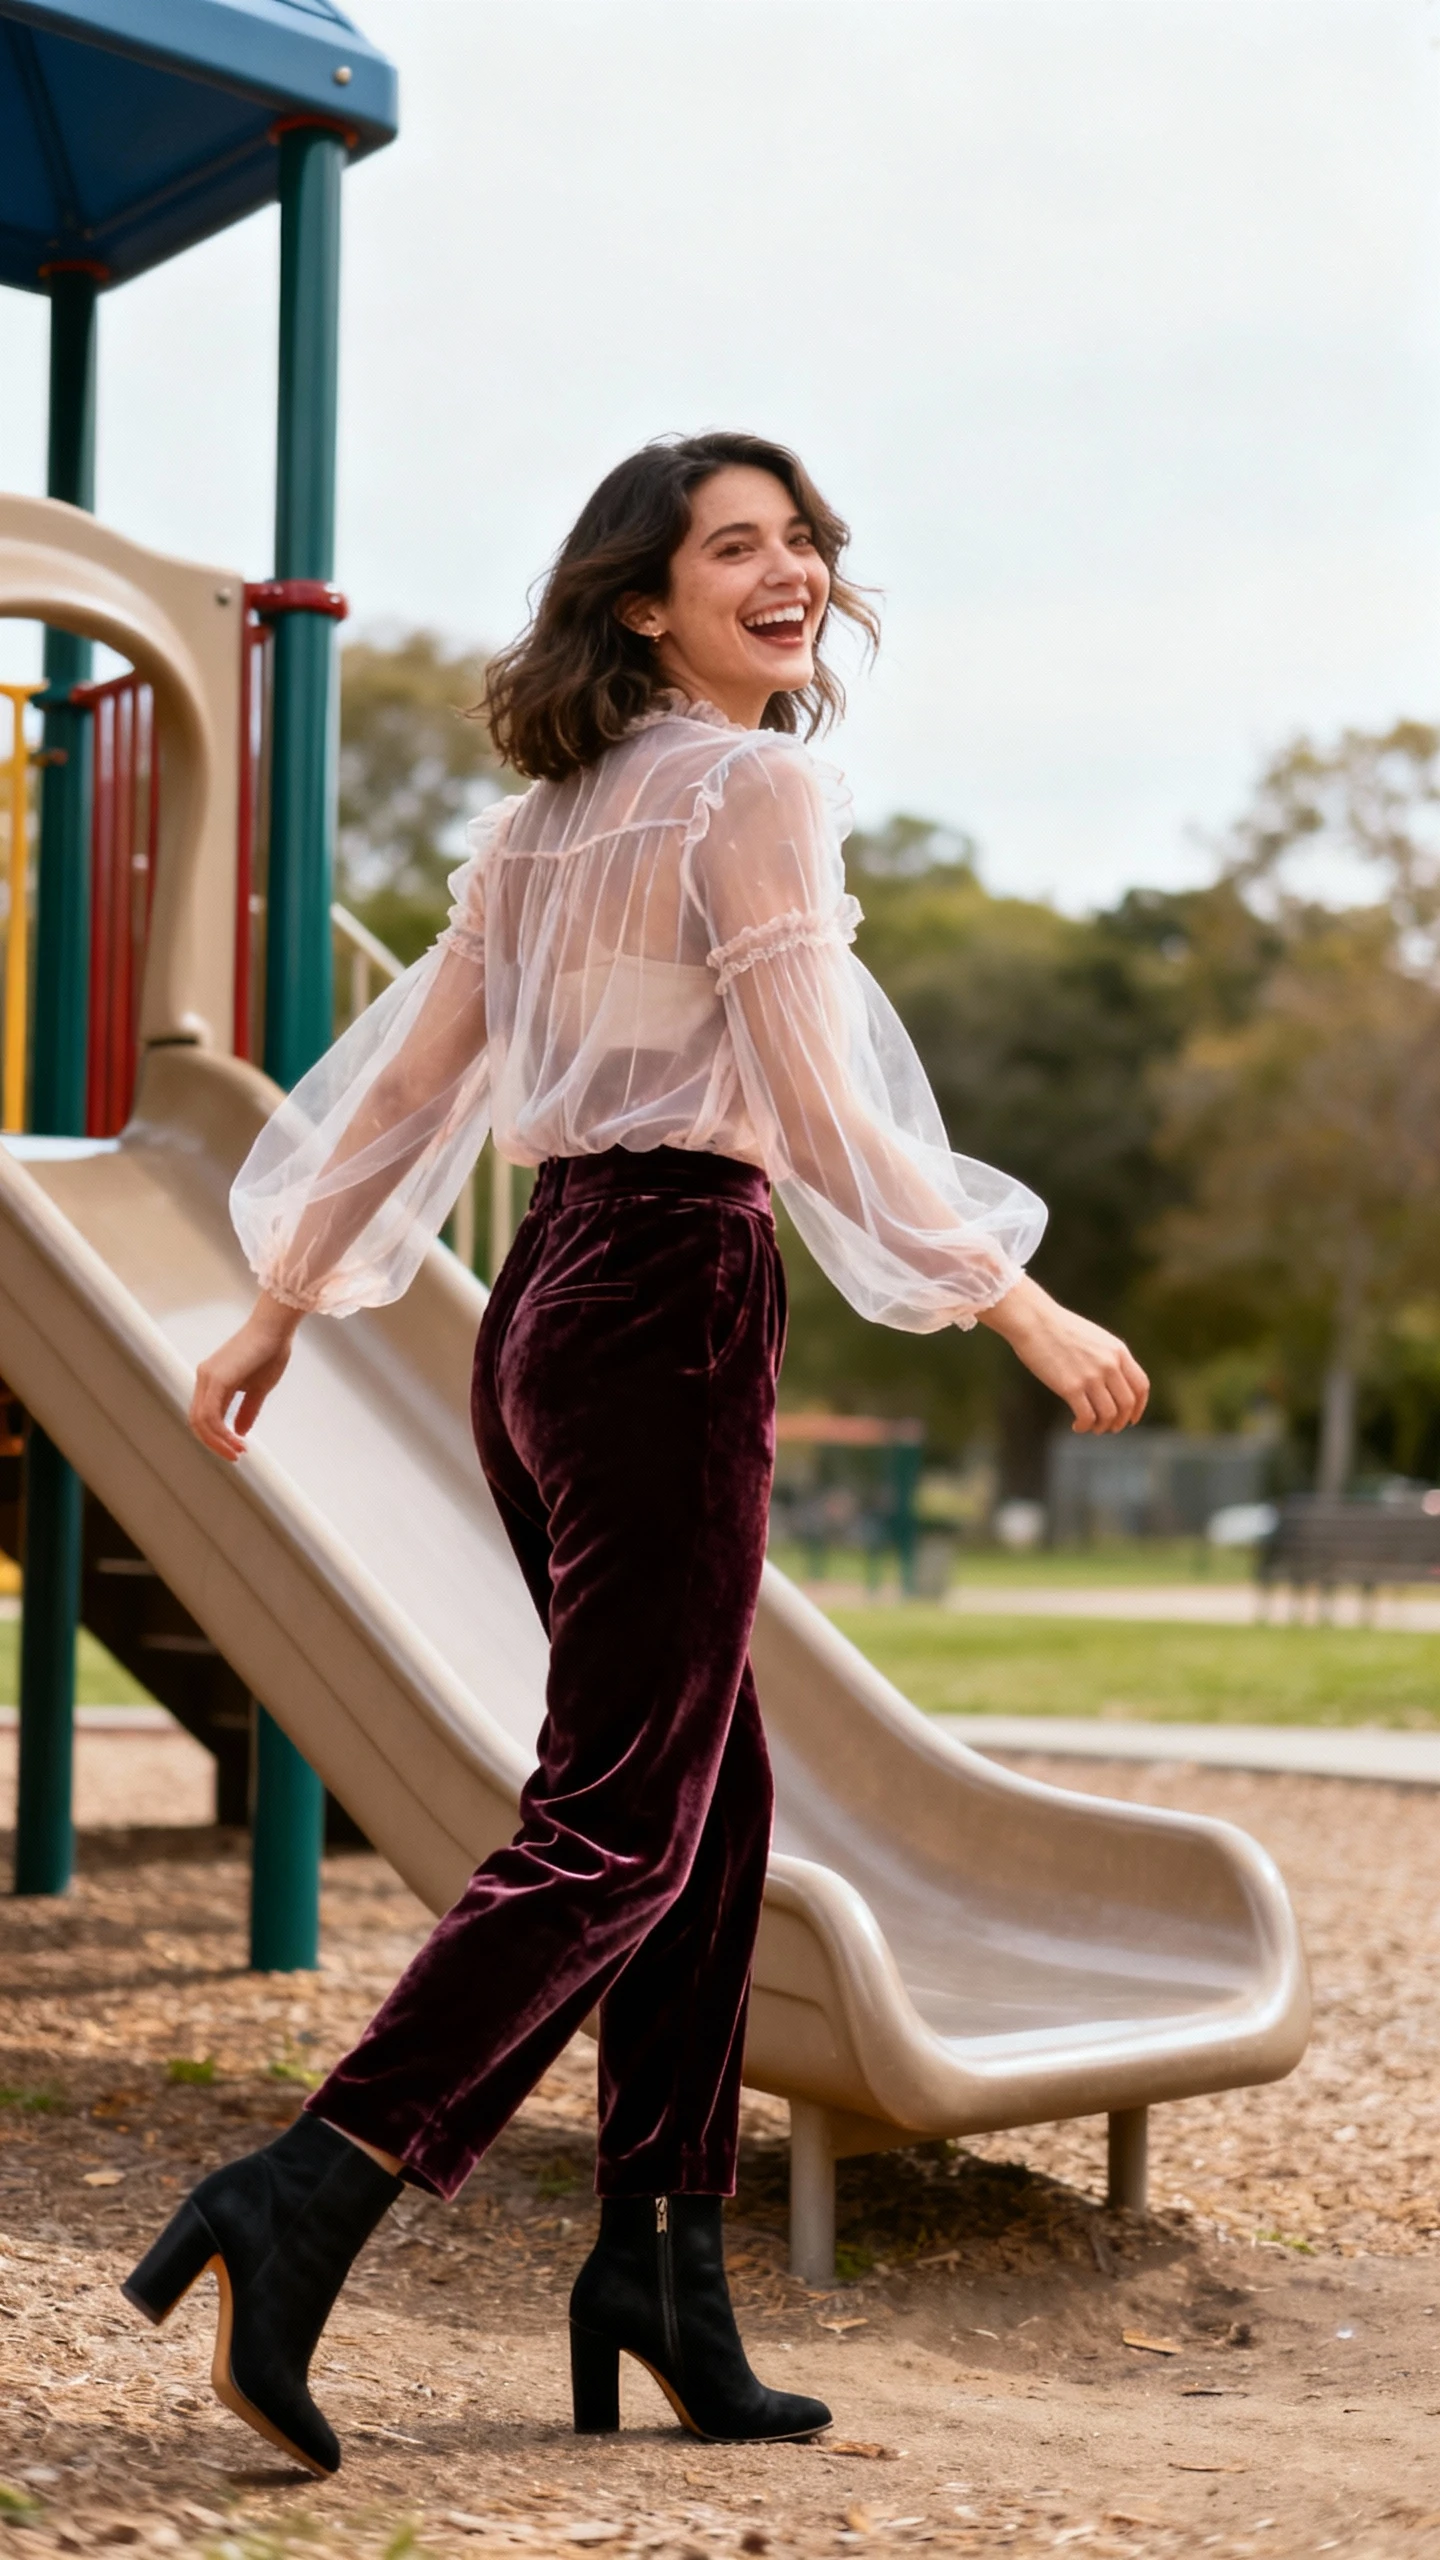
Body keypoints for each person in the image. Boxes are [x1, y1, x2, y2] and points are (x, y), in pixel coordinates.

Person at [121, 432, 1149, 2477]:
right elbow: (823, 1098)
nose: (789, 573)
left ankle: (659, 2268)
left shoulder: (548, 821)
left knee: (712, 1796)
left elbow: (410, 1087)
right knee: (620, 1816)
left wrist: (280, 1299)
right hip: (671, 1291)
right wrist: (1008, 1293)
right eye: (734, 548)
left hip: (547, 1312)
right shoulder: (752, 787)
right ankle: (306, 2186)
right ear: (641, 602)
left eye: (803, 542)